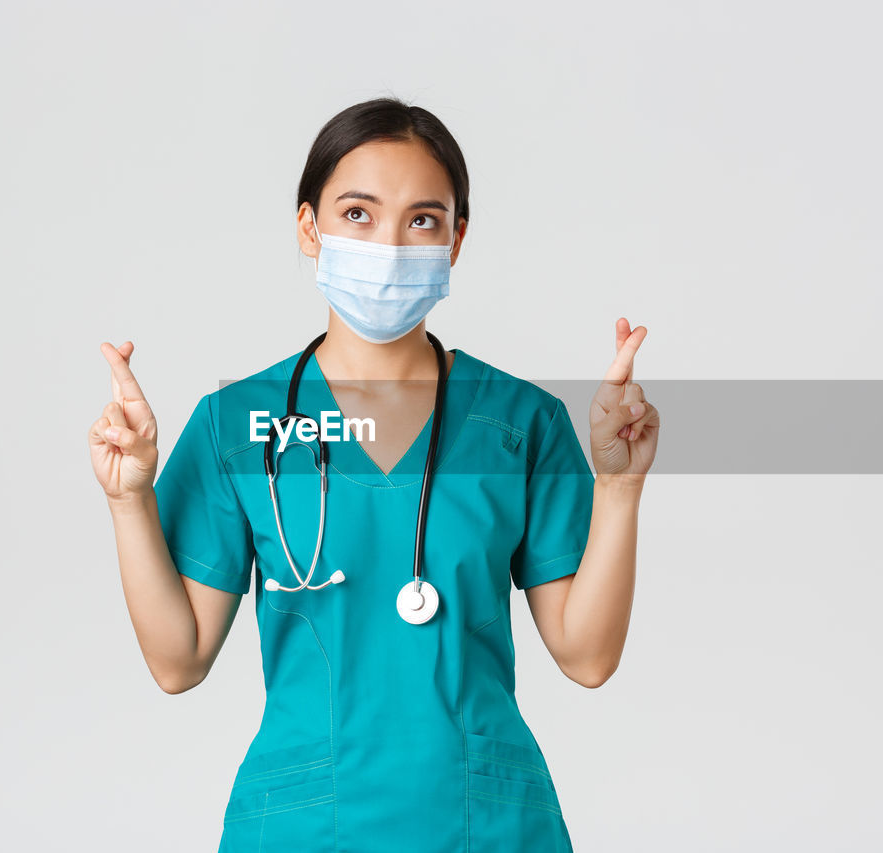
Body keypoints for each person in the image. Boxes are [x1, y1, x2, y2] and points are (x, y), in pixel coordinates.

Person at [88, 97, 659, 852]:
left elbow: (588, 656)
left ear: (456, 240)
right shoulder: (238, 427)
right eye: (358, 214)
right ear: (308, 227)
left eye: (422, 220)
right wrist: (129, 500)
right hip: (302, 825)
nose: (389, 244)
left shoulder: (520, 422)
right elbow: (177, 659)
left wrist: (620, 486)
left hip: (484, 827)